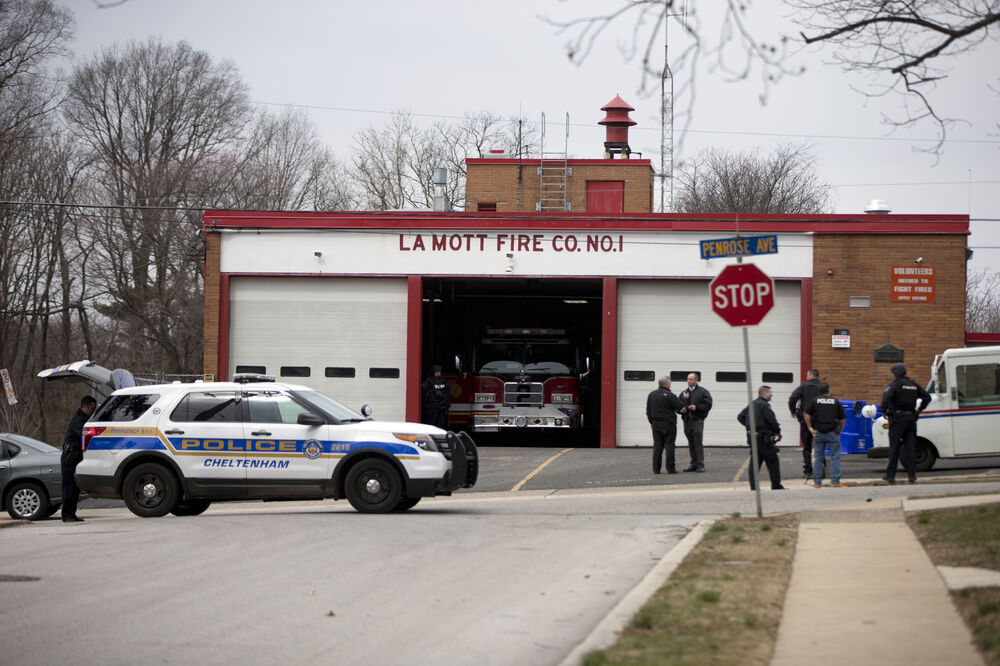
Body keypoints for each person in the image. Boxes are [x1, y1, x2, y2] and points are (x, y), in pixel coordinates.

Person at [880, 363, 931, 485]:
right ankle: (912, 475)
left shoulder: (894, 385)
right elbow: (927, 397)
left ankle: (890, 476)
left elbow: (886, 398)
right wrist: (918, 410)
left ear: (895, 373)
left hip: (897, 419)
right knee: (910, 448)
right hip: (911, 419)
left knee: (894, 447)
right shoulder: (913, 384)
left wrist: (884, 410)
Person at [738, 385, 785, 490]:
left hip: (752, 438)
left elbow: (740, 417)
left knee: (755, 463)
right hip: (764, 438)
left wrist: (750, 426)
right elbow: (772, 420)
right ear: (764, 393)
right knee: (773, 462)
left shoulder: (753, 404)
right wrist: (778, 432)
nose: (771, 394)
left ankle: (754, 487)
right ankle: (776, 485)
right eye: (769, 392)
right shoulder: (764, 405)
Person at [803, 382, 847, 488]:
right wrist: (840, 430)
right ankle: (835, 482)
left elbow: (806, 413)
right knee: (835, 457)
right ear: (829, 390)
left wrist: (810, 427)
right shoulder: (835, 401)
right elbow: (842, 419)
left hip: (818, 433)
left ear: (819, 392)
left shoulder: (814, 401)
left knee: (818, 458)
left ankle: (817, 483)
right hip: (832, 432)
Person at [61, 395, 97, 523]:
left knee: (75, 488)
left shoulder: (85, 419)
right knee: (69, 487)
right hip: (70, 457)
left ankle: (72, 513)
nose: (93, 411)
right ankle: (66, 514)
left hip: (76, 457)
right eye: (92, 408)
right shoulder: (79, 420)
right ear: (85, 406)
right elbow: (85, 434)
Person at [646, 376, 684, 474]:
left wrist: (651, 422)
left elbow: (648, 411)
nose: (670, 384)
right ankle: (670, 469)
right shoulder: (670, 395)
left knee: (657, 446)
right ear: (667, 384)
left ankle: (656, 469)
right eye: (670, 383)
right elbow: (680, 406)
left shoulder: (651, 395)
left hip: (656, 424)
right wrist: (684, 399)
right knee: (669, 446)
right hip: (669, 424)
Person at [788, 369, 821, 479]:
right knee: (820, 445)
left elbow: (792, 398)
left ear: (811, 375)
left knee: (806, 446)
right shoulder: (823, 386)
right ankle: (820, 468)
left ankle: (808, 470)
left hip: (806, 421)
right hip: (820, 421)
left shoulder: (803, 386)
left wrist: (792, 410)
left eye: (807, 375)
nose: (806, 377)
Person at [679, 372, 712, 472]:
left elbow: (708, 404)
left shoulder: (703, 392)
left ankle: (700, 465)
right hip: (687, 421)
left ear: (696, 380)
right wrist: (681, 409)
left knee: (698, 442)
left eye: (691, 379)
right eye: (688, 379)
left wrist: (696, 407)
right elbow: (677, 405)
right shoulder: (684, 393)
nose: (689, 381)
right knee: (691, 443)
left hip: (697, 420)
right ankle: (693, 464)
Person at [421, 364, 450, 430]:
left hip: (442, 406)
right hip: (432, 406)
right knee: (431, 423)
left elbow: (447, 392)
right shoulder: (429, 381)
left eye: (439, 372)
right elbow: (423, 391)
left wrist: (447, 403)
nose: (438, 374)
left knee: (441, 423)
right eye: (436, 372)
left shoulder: (443, 381)